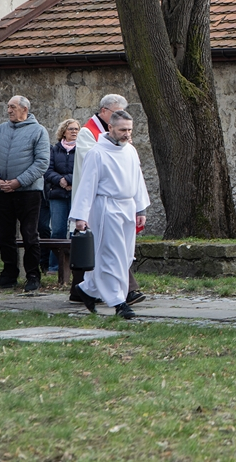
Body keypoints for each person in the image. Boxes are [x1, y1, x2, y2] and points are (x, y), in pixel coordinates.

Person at [69, 110, 150, 320]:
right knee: (111, 256)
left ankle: (87, 289)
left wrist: (140, 208)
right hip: (106, 207)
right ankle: (118, 302)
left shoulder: (130, 150)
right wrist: (81, 216)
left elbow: (137, 179)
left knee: (125, 256)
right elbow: (87, 185)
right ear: (111, 128)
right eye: (123, 130)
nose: (127, 134)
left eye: (130, 129)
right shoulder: (97, 153)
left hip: (127, 206)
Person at [0, 95, 50, 292]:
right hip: (4, 191)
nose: (9, 110)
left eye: (13, 107)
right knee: (5, 235)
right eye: (8, 107)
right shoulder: (0, 130)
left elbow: (42, 163)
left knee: (30, 235)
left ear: (24, 109)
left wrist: (18, 182)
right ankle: (9, 274)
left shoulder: (38, 131)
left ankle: (33, 275)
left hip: (29, 192)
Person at [44, 119, 79, 274]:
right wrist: (61, 181)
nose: (74, 132)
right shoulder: (54, 150)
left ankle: (74, 265)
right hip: (57, 194)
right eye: (71, 129)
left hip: (75, 194)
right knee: (57, 231)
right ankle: (54, 266)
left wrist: (70, 180)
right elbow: (47, 170)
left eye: (76, 129)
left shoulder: (82, 150)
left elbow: (84, 169)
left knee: (75, 231)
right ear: (64, 131)